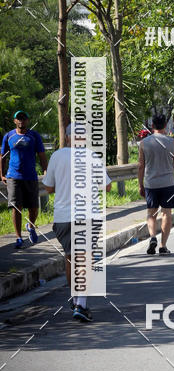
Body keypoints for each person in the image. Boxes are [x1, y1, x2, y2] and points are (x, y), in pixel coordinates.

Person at [42, 125, 112, 322]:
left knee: (71, 257)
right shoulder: (92, 156)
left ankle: (74, 299)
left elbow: (47, 187)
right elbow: (106, 185)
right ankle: (81, 303)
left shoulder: (57, 156)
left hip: (63, 217)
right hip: (88, 215)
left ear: (67, 137)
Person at [0, 109, 48, 249]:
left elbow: (42, 155)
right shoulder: (9, 136)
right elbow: (2, 156)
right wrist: (1, 174)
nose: (21, 121)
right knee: (16, 207)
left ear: (27, 121)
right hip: (13, 176)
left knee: (33, 207)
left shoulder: (34, 136)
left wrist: (46, 170)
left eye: (24, 118)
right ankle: (19, 237)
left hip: (31, 176)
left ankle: (31, 226)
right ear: (15, 121)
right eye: (18, 118)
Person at [138, 114, 174, 255]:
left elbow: (140, 166)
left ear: (152, 125)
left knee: (151, 213)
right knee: (166, 213)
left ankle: (152, 237)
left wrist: (140, 185)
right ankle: (163, 245)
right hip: (168, 183)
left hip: (151, 184)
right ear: (165, 126)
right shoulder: (172, 142)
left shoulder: (144, 143)